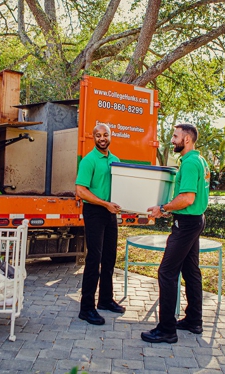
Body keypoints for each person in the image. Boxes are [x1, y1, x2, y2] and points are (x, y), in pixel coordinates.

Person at [141, 123, 210, 344]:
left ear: (187, 139)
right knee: (191, 272)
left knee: (167, 272)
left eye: (175, 136)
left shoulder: (190, 163)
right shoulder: (200, 160)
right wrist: (168, 210)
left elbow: (187, 198)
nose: (172, 140)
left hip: (187, 224)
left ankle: (167, 329)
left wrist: (163, 208)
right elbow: (191, 200)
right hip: (195, 220)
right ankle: (193, 321)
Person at [75, 123, 126, 325]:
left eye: (105, 135)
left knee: (109, 257)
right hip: (95, 212)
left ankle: (105, 300)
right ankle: (86, 308)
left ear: (111, 136)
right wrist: (105, 204)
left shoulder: (115, 160)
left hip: (110, 213)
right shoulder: (89, 161)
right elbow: (81, 190)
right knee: (94, 259)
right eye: (98, 135)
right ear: (93, 138)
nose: (102, 138)